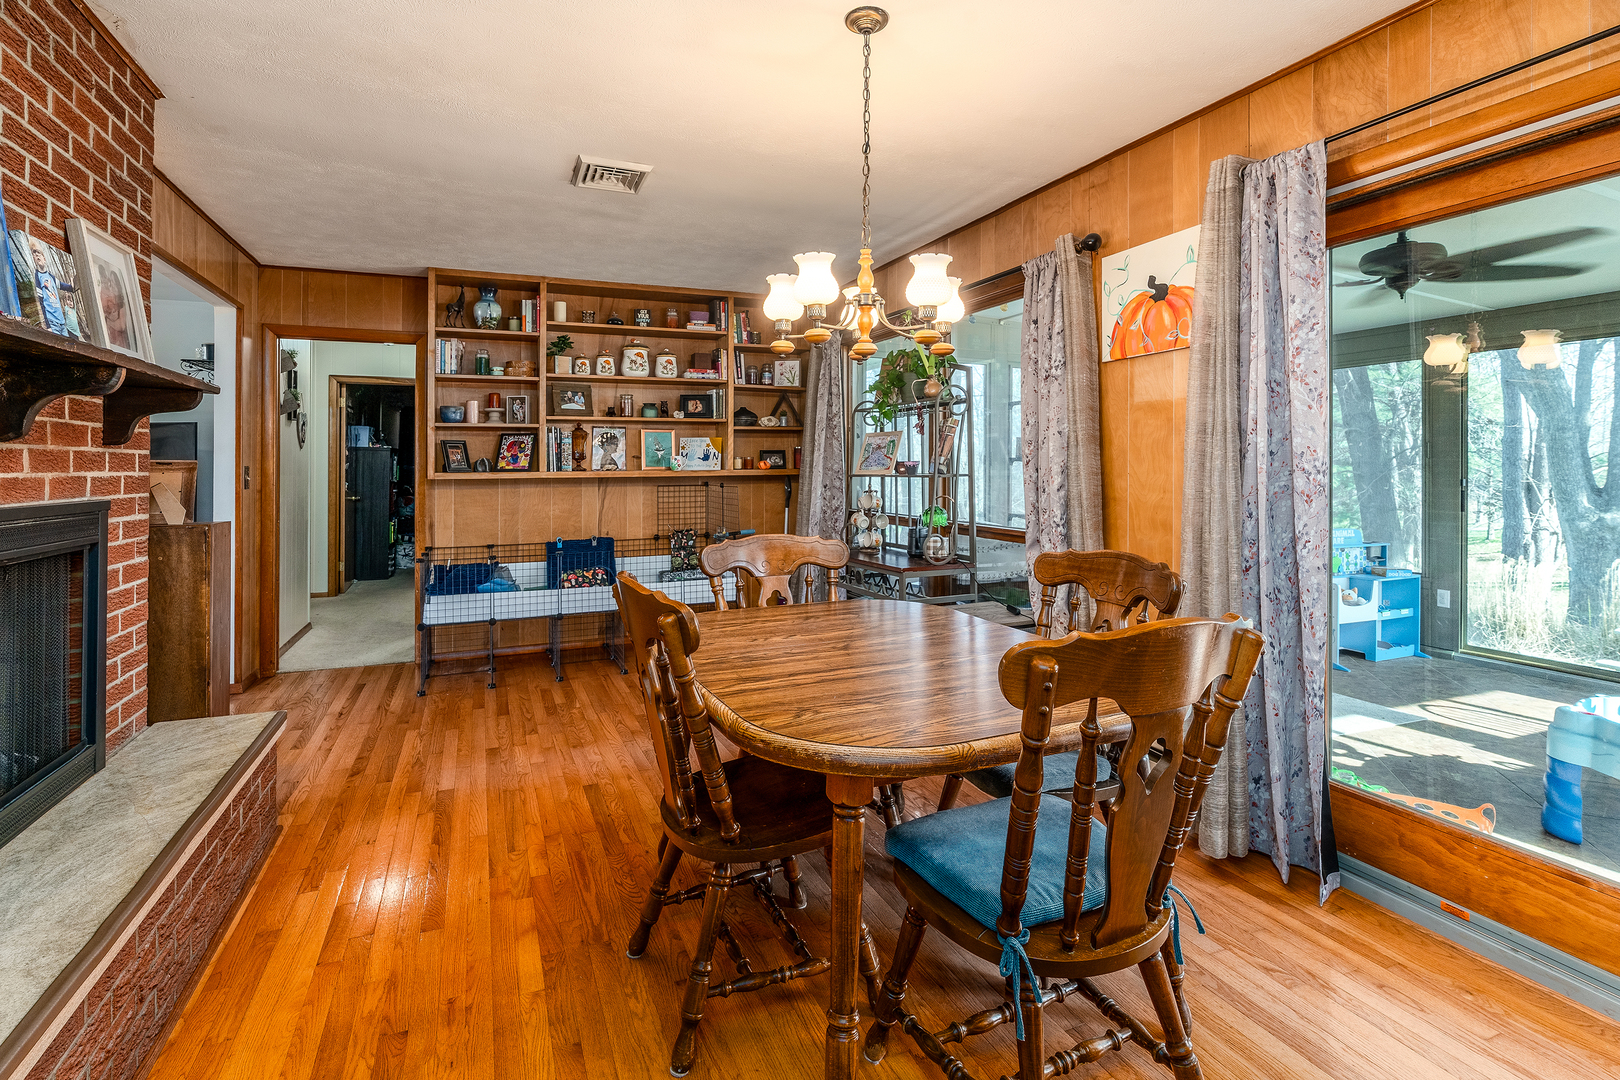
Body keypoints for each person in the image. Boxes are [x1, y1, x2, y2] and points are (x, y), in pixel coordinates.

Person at [31, 246, 66, 335]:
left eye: (39, 254)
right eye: (35, 255)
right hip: (52, 322)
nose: (37, 256)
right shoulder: (37, 278)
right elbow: (41, 302)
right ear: (34, 260)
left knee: (69, 346)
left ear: (44, 259)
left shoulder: (51, 277)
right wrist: (48, 325)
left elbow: (61, 285)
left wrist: (72, 287)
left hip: (62, 321)